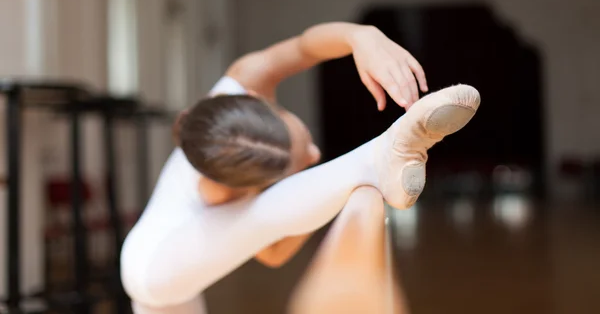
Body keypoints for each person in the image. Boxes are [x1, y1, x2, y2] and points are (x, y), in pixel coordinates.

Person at [120, 22, 480, 313]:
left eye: (304, 143)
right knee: (260, 215)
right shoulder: (217, 188)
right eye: (302, 165)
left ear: (268, 108)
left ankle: (378, 158)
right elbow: (272, 251)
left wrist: (362, 37)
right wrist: (329, 197)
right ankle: (379, 155)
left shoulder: (245, 79)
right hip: (152, 270)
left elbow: (305, 46)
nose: (315, 152)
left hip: (180, 281)